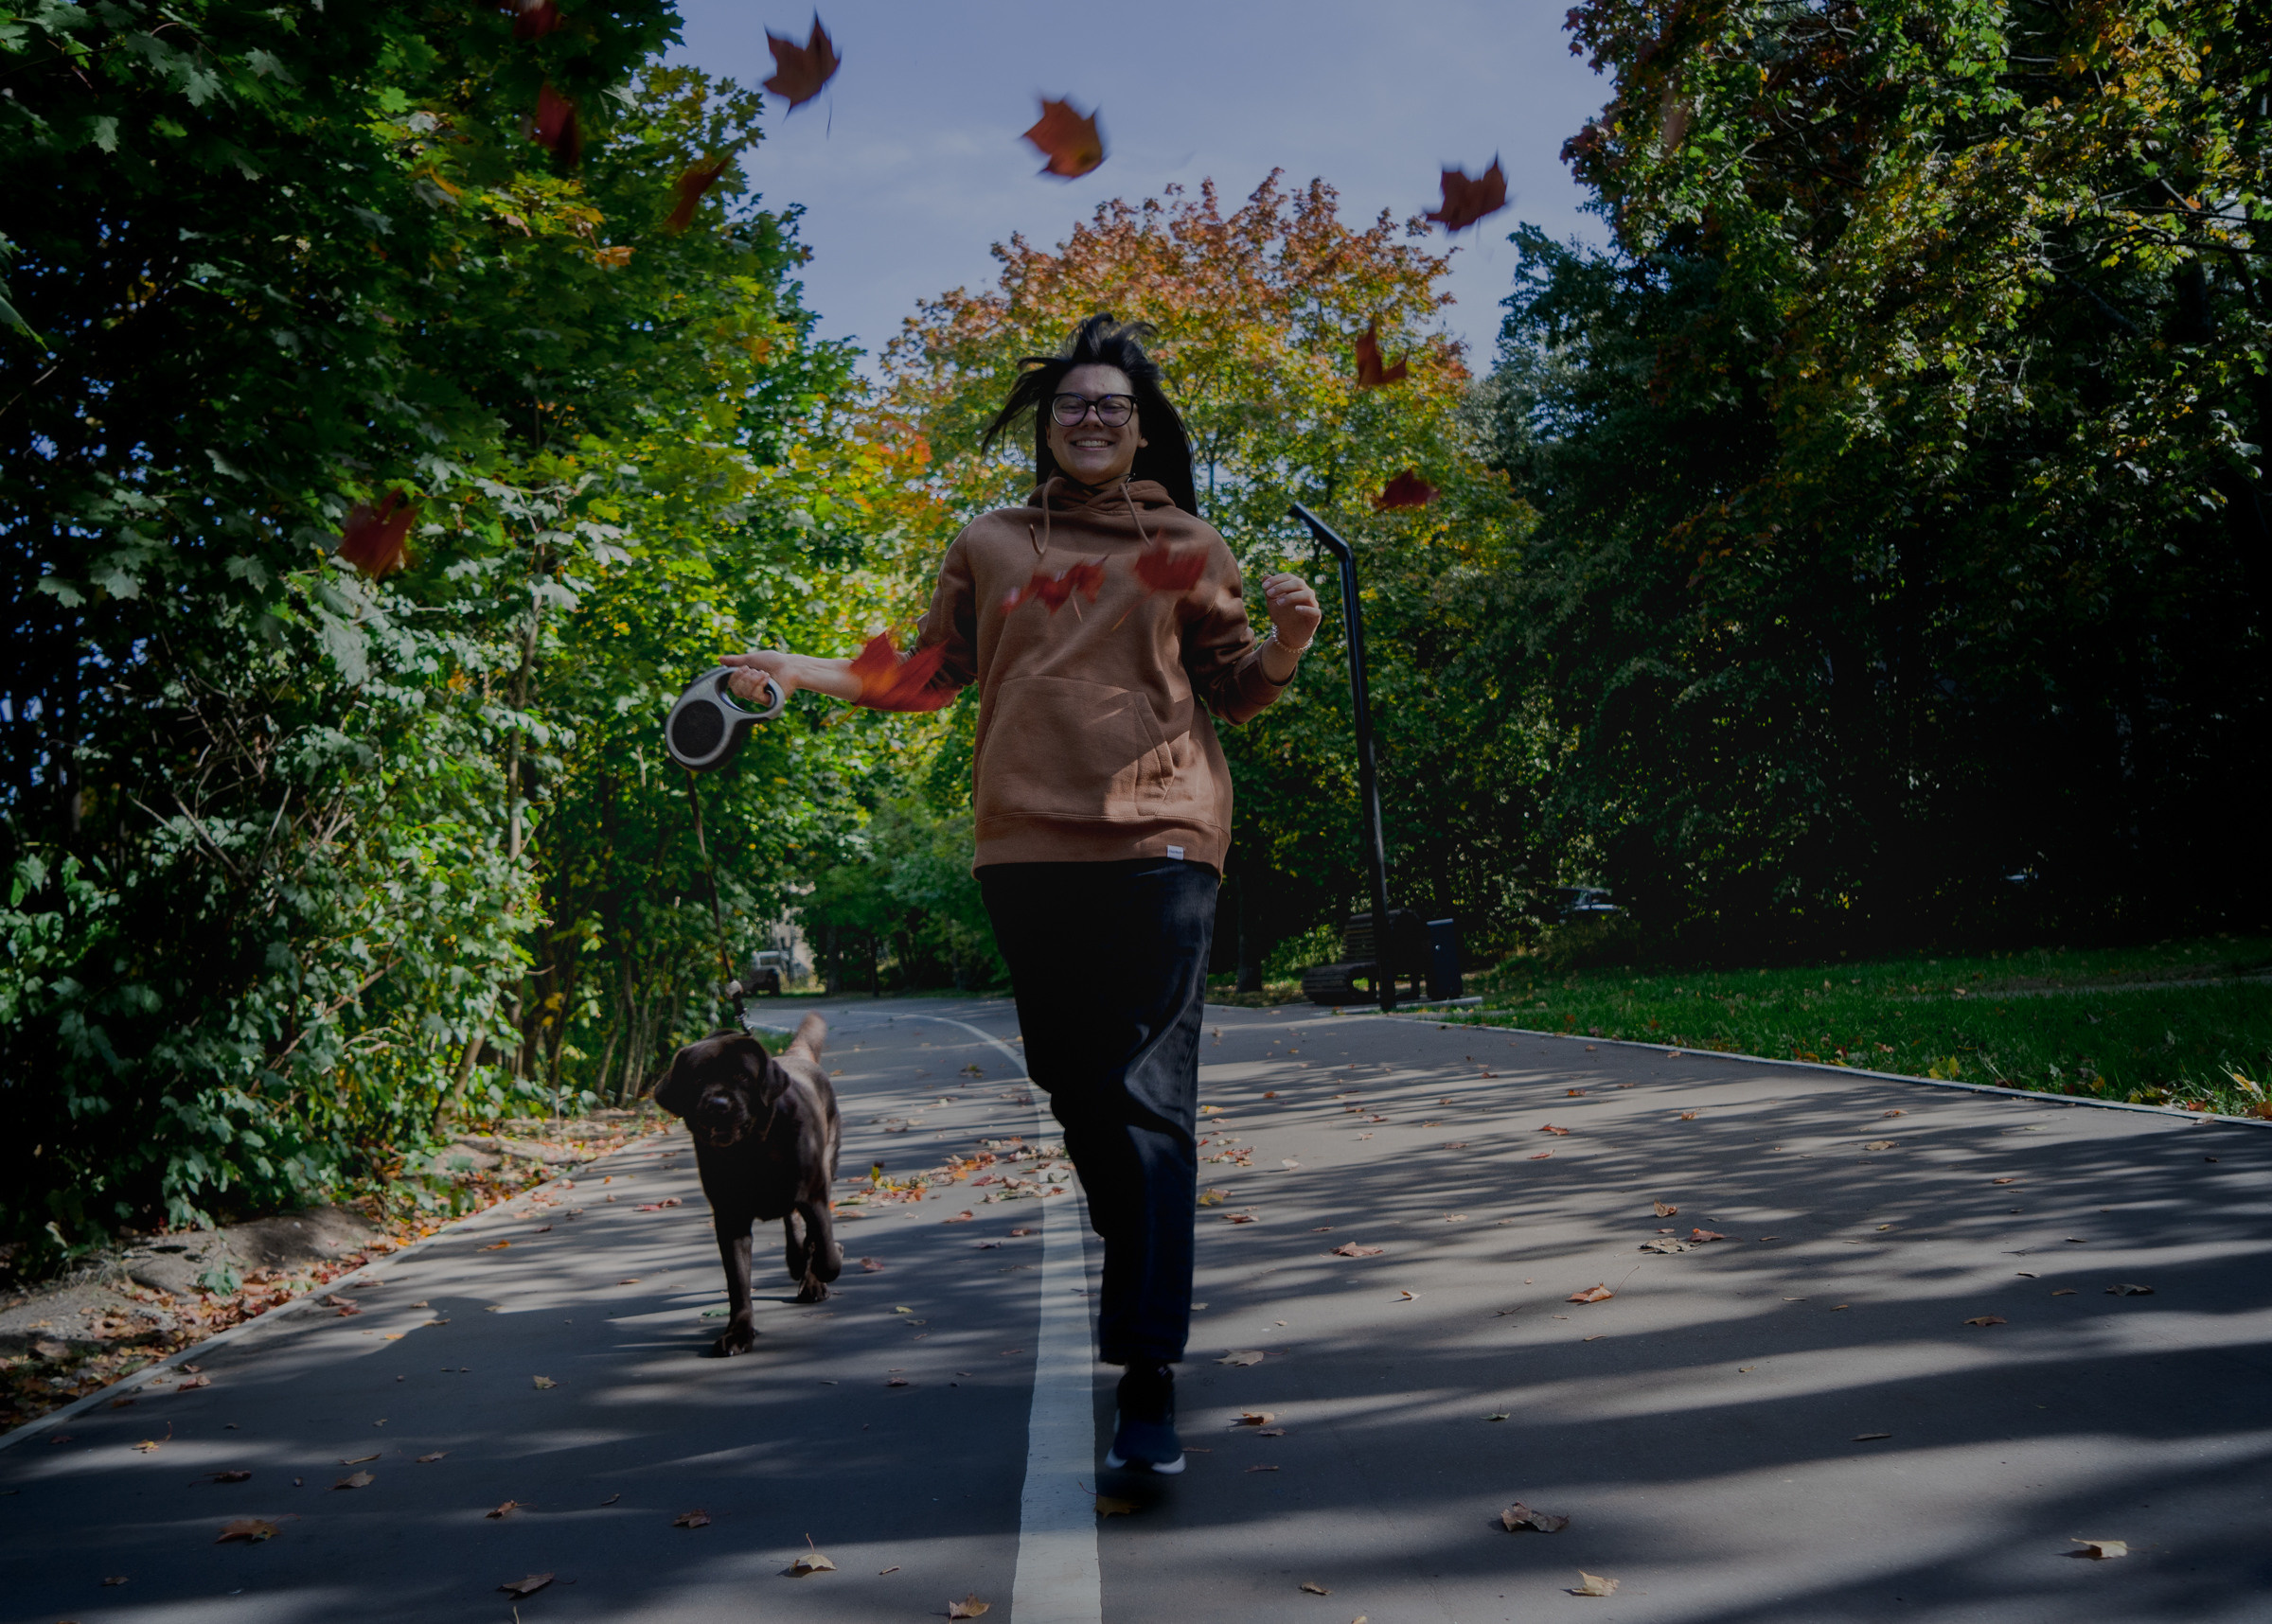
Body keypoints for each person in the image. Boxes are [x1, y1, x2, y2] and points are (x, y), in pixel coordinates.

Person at [722, 314, 1322, 1474]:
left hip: (1162, 837)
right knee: (1075, 1085)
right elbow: (927, 674)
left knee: (1148, 1100)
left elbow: (1237, 687)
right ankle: (1140, 1240)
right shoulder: (992, 541)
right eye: (1071, 406)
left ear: (1141, 430)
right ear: (1047, 428)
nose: (1090, 419)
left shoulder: (1189, 544)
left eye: (1111, 406)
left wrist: (1288, 643)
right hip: (1026, 848)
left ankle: (1147, 1376)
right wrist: (794, 668)